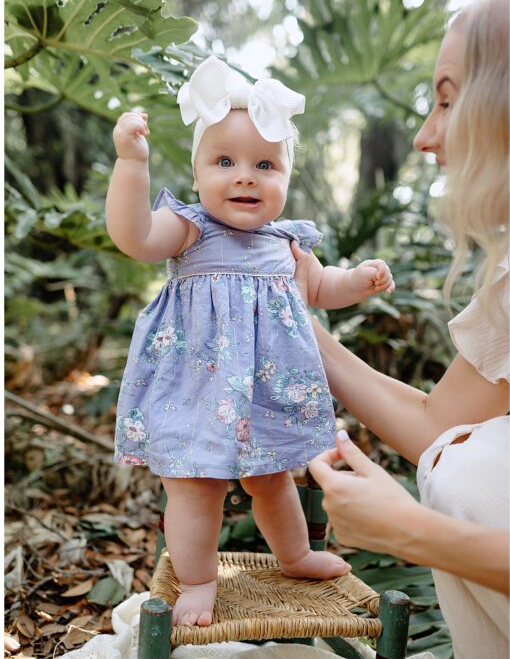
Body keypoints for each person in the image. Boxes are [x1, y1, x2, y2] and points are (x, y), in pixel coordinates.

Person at [107, 56, 394, 627]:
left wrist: (357, 281)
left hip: (266, 390)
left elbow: (321, 287)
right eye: (224, 161)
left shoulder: (288, 243)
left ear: (286, 176)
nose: (245, 176)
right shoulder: (187, 230)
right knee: (195, 488)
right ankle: (197, 581)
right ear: (195, 176)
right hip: (196, 389)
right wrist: (130, 162)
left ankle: (296, 554)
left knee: (273, 480)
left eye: (266, 164)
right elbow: (132, 235)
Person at [298, 0, 510, 659]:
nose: (424, 135)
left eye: (448, 102)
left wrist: (406, 527)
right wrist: (303, 329)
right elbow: (438, 426)